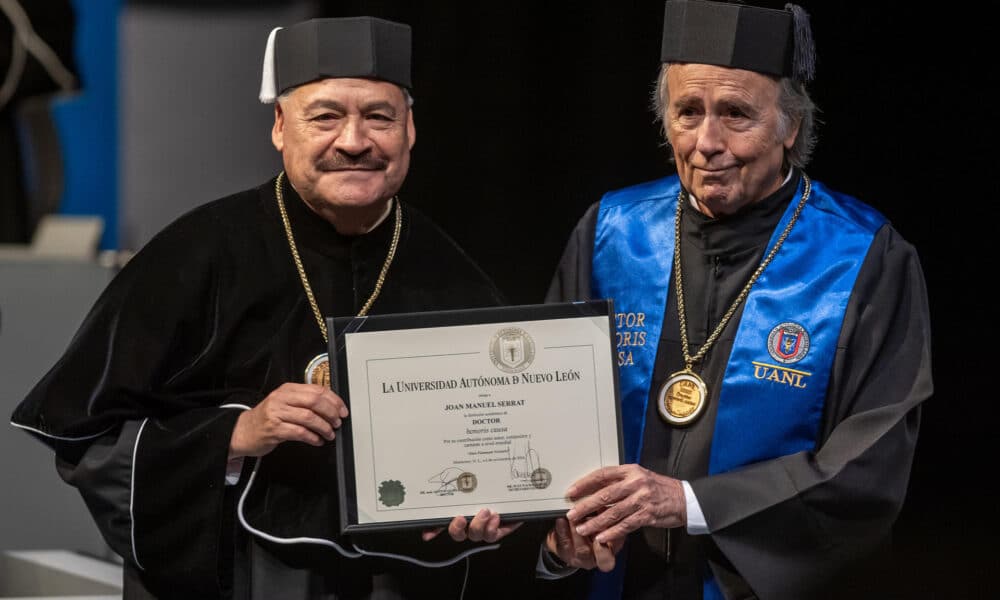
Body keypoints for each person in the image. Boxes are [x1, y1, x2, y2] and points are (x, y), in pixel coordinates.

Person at [10, 16, 555, 600]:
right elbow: (87, 439)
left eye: (379, 116)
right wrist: (235, 434)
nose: (354, 141)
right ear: (279, 127)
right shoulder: (199, 251)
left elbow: (496, 453)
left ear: (411, 128)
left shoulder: (451, 272)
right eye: (325, 116)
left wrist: (476, 517)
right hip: (236, 578)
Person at [545, 1, 933, 598]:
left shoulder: (864, 257)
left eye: (735, 114)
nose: (707, 143)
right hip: (619, 578)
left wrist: (690, 503)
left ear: (790, 125)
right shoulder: (610, 232)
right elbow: (546, 415)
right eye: (687, 112)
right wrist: (555, 530)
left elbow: (868, 466)